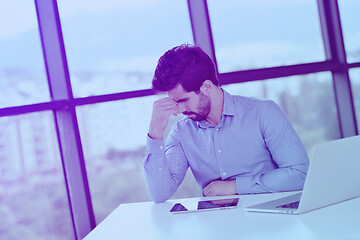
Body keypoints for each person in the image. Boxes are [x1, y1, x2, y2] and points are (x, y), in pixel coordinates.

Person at [143, 44, 309, 203]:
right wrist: (155, 134)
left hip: (273, 221)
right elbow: (160, 194)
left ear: (207, 86)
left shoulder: (263, 112)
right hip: (217, 227)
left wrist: (236, 187)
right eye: (174, 102)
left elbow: (300, 174)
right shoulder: (181, 133)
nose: (178, 110)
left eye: (184, 100)